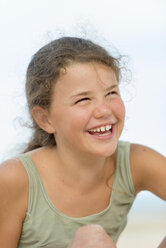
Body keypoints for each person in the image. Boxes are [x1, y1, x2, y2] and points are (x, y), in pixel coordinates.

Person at [0, 37, 165, 248]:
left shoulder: (136, 162)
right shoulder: (14, 179)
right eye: (83, 99)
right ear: (45, 119)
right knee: (91, 240)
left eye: (111, 93)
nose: (104, 110)